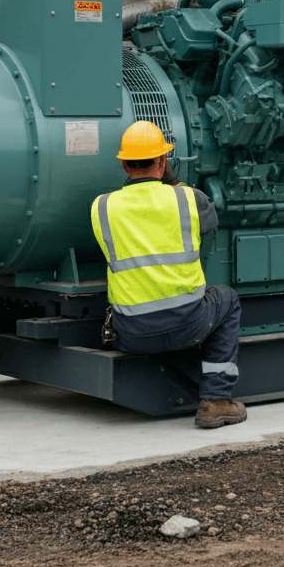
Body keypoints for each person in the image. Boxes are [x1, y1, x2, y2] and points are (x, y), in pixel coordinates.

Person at [90, 121, 245, 428]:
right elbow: (209, 222)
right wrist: (174, 183)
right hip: (188, 324)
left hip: (130, 333)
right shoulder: (188, 199)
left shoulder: (102, 207)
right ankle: (215, 401)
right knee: (228, 299)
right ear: (163, 162)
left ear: (123, 163)